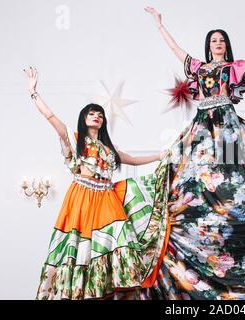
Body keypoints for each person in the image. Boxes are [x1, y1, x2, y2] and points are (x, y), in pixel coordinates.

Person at [141, 7, 245, 300]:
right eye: (213, 40)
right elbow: (174, 48)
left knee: (232, 174)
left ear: (225, 45)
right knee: (191, 168)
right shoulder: (198, 67)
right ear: (208, 46)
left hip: (227, 123)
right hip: (202, 124)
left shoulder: (233, 67)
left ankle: (236, 212)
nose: (217, 43)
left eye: (221, 40)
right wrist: (159, 24)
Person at [24, 67, 165, 299]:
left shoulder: (108, 149)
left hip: (107, 198)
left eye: (100, 114)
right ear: (84, 118)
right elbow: (51, 117)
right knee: (83, 247)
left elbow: (135, 160)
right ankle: (88, 290)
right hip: (82, 197)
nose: (96, 116)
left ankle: (122, 284)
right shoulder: (76, 139)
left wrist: (160, 156)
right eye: (92, 113)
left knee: (121, 239)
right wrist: (33, 92)